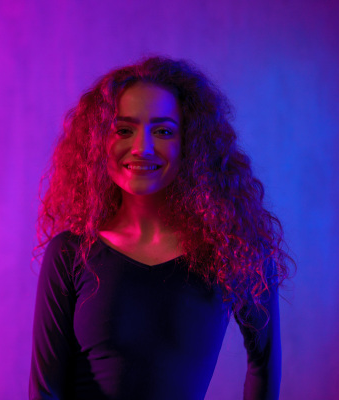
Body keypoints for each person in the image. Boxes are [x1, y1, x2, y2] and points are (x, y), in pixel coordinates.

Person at [29, 56, 293, 400]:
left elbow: (264, 365)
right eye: (124, 130)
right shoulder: (69, 253)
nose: (142, 147)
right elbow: (45, 390)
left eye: (164, 131)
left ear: (191, 143)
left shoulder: (235, 251)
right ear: (97, 143)